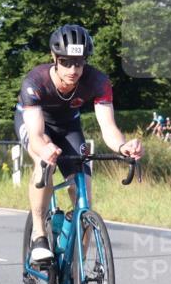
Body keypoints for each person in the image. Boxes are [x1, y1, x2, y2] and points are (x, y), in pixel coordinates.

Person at [16, 24, 143, 262]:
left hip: (69, 127)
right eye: (66, 62)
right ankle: (39, 235)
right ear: (54, 58)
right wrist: (45, 148)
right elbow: (36, 134)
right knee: (44, 162)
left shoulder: (98, 82)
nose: (73, 70)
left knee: (83, 195)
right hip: (36, 124)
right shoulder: (35, 82)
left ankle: (79, 272)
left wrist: (123, 147)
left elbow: (108, 127)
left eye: (79, 62)